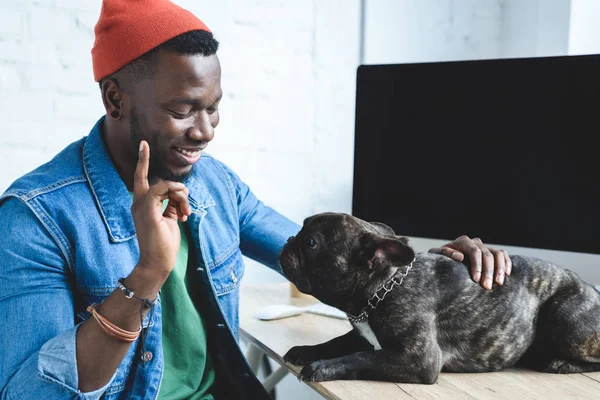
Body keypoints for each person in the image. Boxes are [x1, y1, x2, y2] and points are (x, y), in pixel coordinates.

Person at [0, 0, 511, 399]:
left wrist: (435, 271)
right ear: (115, 99)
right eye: (183, 110)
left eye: (214, 110)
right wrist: (147, 275)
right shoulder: (36, 220)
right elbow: (32, 394)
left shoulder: (218, 187)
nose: (204, 133)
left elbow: (326, 256)